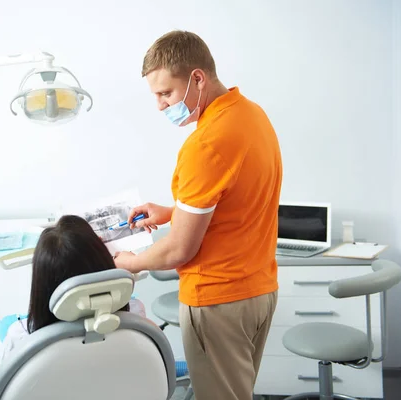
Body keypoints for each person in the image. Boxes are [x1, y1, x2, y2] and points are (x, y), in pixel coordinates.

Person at [114, 30, 282, 400]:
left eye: (166, 93)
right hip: (258, 291)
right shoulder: (252, 116)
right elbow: (238, 201)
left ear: (197, 78)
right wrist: (172, 212)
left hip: (218, 299)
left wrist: (129, 261)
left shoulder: (204, 144)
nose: (160, 105)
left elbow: (178, 251)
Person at [0, 215, 145, 383]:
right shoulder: (137, 315)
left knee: (6, 329)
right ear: (104, 260)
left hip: (21, 343)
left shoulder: (22, 338)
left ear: (41, 281)